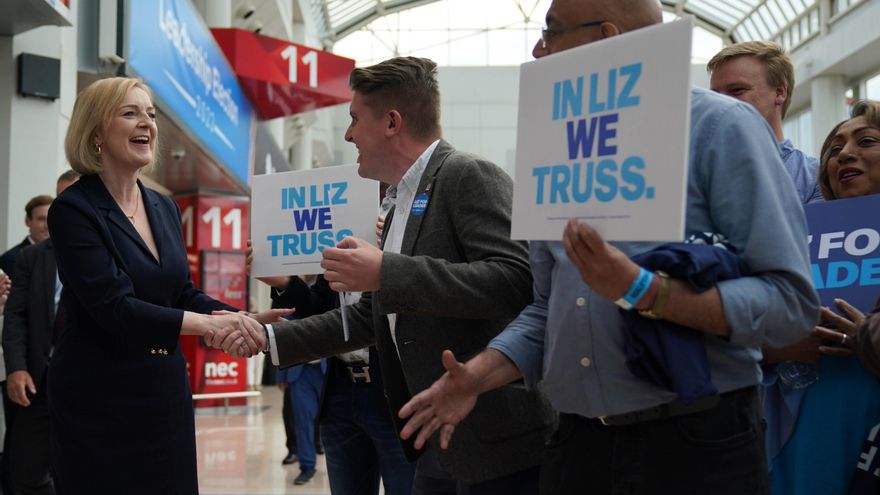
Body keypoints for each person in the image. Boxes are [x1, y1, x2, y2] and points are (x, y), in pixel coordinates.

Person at [397, 1, 820, 494]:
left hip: (694, 445)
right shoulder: (554, 145)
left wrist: (646, 291)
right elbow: (548, 308)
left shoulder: (719, 128)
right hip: (578, 445)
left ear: (605, 37)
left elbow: (790, 305)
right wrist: (478, 374)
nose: (538, 49)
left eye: (551, 32)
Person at [247, 56, 552, 494]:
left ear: (392, 122)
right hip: (435, 440)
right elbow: (369, 318)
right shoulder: (398, 205)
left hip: (495, 444)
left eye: (354, 119)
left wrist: (388, 270)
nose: (349, 134)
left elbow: (517, 280)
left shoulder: (468, 175)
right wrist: (267, 339)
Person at [46, 77, 277, 494]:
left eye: (150, 114)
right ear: (96, 133)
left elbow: (181, 293)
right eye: (130, 113)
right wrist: (210, 328)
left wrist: (236, 317)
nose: (147, 123)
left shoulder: (162, 206)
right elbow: (114, 307)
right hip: (97, 401)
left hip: (163, 393)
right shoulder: (73, 210)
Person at [762, 99, 880, 495]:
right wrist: (776, 348)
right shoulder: (791, 239)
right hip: (794, 437)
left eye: (867, 141)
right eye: (834, 148)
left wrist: (866, 336)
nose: (845, 153)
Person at [1, 171, 79, 495]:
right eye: (62, 199)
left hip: (89, 382)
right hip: (38, 380)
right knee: (26, 470)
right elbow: (16, 316)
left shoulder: (114, 253)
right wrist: (17, 367)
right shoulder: (32, 257)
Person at [708, 40, 822, 205]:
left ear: (779, 92)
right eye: (715, 95)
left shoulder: (815, 178)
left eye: (737, 90)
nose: (721, 102)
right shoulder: (693, 173)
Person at [0, 195, 53, 279]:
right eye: (41, 219)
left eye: (51, 219)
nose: (47, 225)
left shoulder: (60, 255)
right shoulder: (11, 259)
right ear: (27, 221)